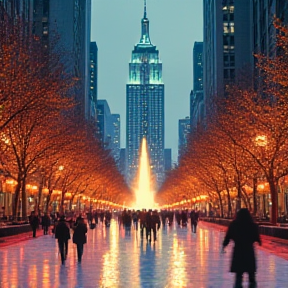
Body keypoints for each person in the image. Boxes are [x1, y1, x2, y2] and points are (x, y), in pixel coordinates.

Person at [222, 208, 262, 288]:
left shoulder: (234, 225)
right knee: (251, 276)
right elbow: (257, 238)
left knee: (238, 276)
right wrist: (258, 241)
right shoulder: (253, 225)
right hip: (249, 252)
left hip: (238, 251)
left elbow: (228, 236)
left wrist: (224, 245)